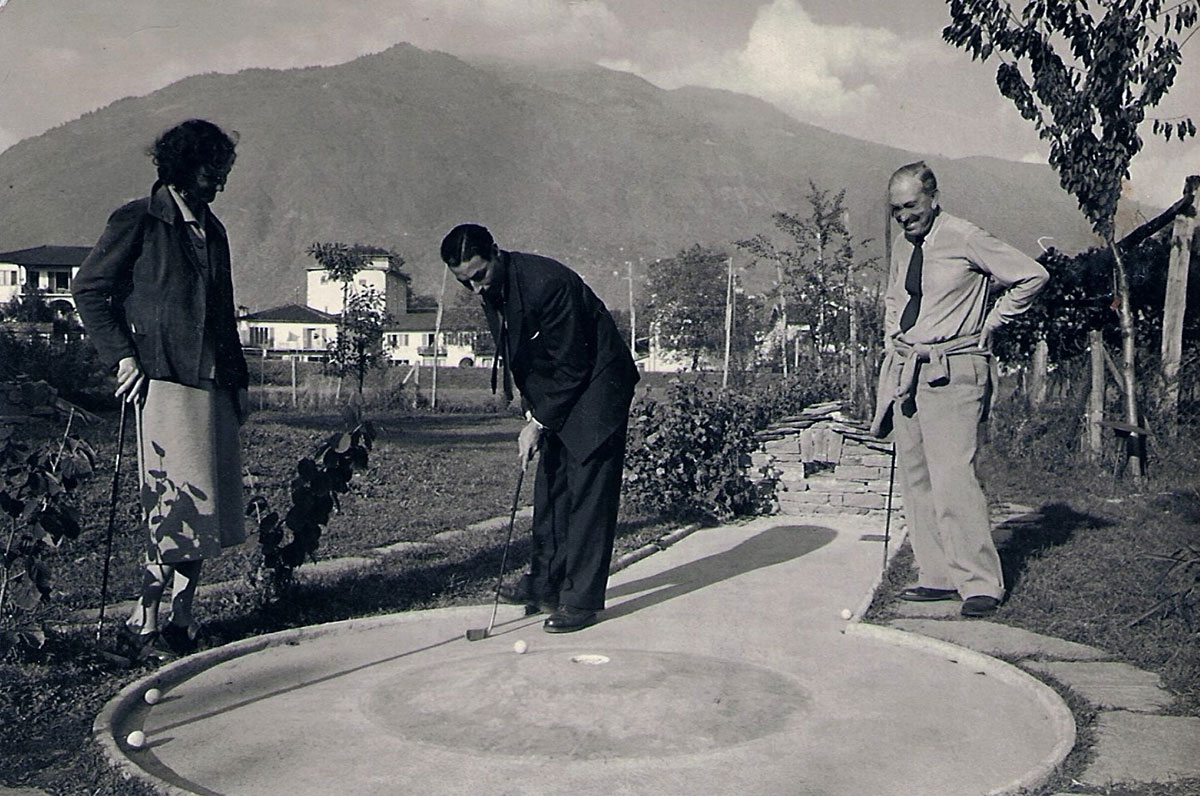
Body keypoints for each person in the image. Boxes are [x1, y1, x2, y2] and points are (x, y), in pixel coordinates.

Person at [73, 119, 250, 658]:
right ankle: (145, 624)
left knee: (206, 507)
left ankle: (181, 619)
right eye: (210, 171)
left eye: (223, 173)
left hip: (212, 380)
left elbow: (223, 314)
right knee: (172, 506)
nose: (219, 183)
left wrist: (238, 382)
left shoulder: (212, 230)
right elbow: (89, 290)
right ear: (180, 166)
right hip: (166, 379)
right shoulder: (140, 220)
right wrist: (123, 356)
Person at [440, 224, 639, 633]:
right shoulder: (492, 288)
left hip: (599, 384)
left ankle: (580, 601)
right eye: (465, 282)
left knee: (587, 495)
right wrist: (534, 412)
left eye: (479, 275)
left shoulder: (547, 283)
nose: (476, 288)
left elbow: (573, 363)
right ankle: (545, 584)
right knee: (551, 487)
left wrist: (539, 421)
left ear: (496, 252)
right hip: (562, 389)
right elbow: (527, 355)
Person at [871, 161, 1048, 618]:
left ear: (932, 197)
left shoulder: (964, 235)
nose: (904, 217)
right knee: (916, 478)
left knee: (953, 478)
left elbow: (1032, 275)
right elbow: (897, 296)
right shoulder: (902, 244)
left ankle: (979, 583)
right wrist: (894, 336)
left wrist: (992, 322)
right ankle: (937, 576)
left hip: (955, 369)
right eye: (896, 210)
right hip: (908, 369)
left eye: (911, 206)